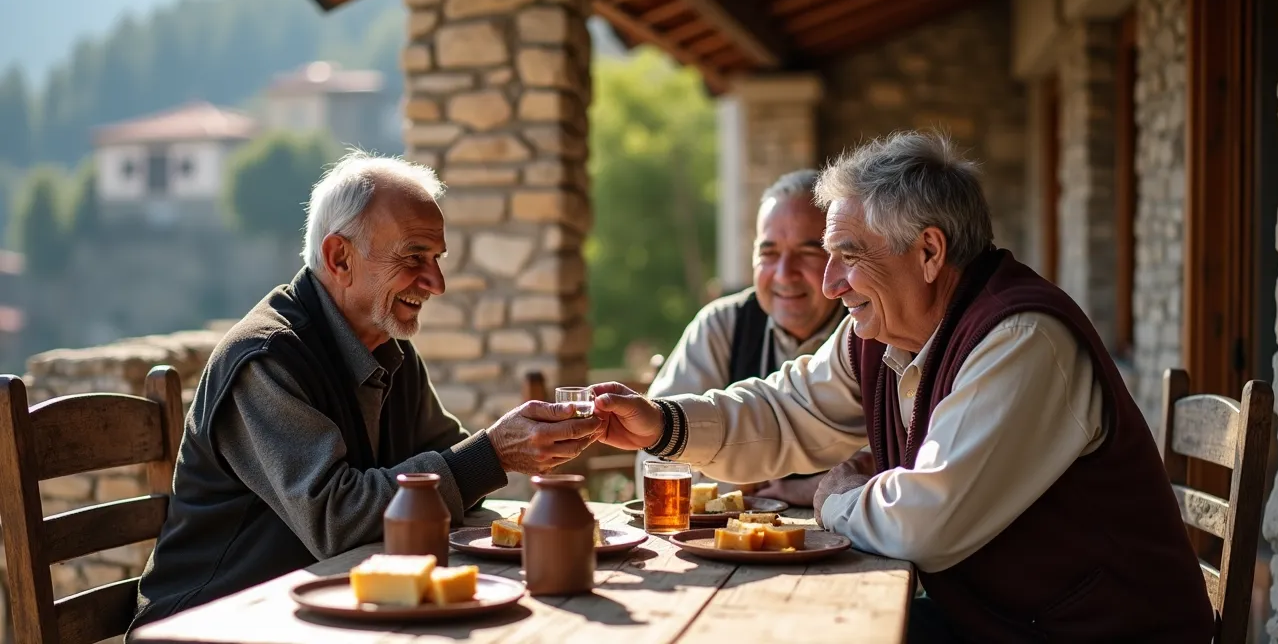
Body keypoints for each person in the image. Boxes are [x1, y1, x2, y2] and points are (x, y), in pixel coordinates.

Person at [589, 131, 1214, 641]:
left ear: (930, 253)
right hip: (1001, 624)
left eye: (847, 255)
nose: (830, 283)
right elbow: (786, 408)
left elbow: (924, 524)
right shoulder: (884, 331)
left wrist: (835, 495)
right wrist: (665, 424)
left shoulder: (1022, 339)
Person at [131, 151, 601, 628]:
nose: (436, 283)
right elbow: (338, 521)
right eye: (414, 257)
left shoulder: (388, 349)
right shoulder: (266, 361)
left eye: (436, 259)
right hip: (211, 622)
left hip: (324, 611)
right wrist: (494, 454)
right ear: (340, 257)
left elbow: (450, 468)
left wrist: (515, 446)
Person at [633, 170, 845, 505]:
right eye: (769, 252)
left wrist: (807, 490)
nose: (784, 273)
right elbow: (655, 460)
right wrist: (748, 490)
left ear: (840, 258)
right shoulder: (723, 325)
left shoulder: (867, 329)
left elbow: (888, 461)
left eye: (808, 252)